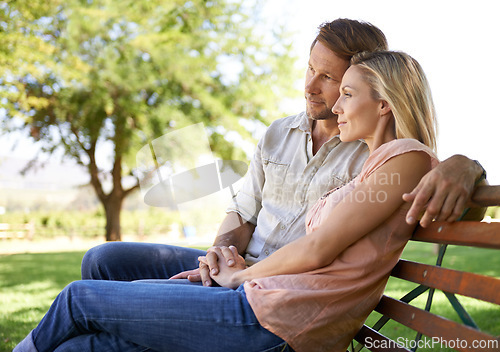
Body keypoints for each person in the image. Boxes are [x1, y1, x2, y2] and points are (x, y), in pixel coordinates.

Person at [15, 49, 440, 352]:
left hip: (276, 323)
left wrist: (238, 279)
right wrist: (229, 265)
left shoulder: (406, 159)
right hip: (264, 298)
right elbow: (312, 244)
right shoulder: (381, 161)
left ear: (384, 104)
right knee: (86, 341)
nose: (335, 101)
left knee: (78, 298)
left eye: (346, 92)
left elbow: (319, 248)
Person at [80, 18, 485, 289]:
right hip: (240, 269)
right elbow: (243, 211)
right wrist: (217, 255)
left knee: (89, 304)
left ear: (367, 83)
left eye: (330, 79)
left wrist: (467, 166)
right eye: (310, 68)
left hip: (280, 286)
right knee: (103, 261)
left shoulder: (376, 150)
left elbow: (444, 194)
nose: (310, 86)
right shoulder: (278, 133)